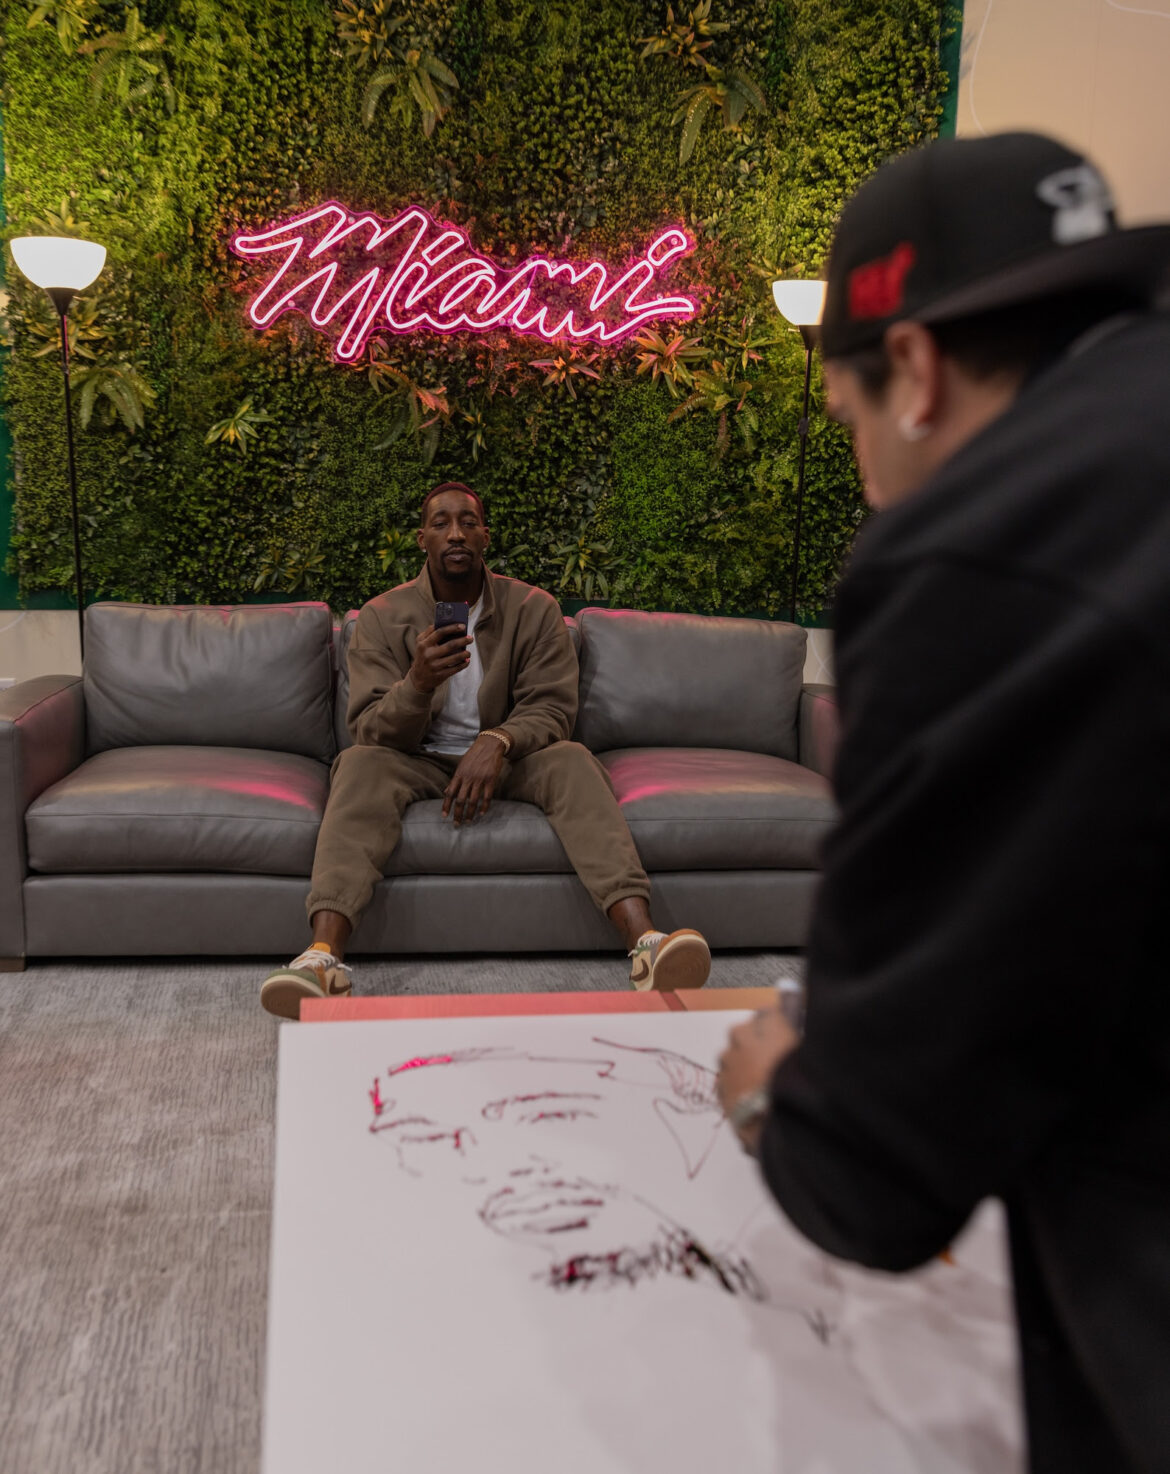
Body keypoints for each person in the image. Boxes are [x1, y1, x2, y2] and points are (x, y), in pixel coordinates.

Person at [715, 132, 1170, 1473]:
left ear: (910, 369)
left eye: (845, 419)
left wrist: (776, 1094)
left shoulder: (992, 542)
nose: (864, 476)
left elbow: (876, 1174)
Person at [260, 481, 710, 1017]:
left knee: (572, 760)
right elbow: (370, 729)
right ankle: (322, 959)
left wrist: (497, 740)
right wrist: (418, 683)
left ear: (485, 537)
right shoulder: (382, 615)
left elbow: (552, 709)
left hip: (511, 759)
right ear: (422, 539)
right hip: (416, 759)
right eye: (442, 523)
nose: (456, 533)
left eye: (468, 522)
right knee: (358, 766)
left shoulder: (534, 608)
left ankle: (647, 945)